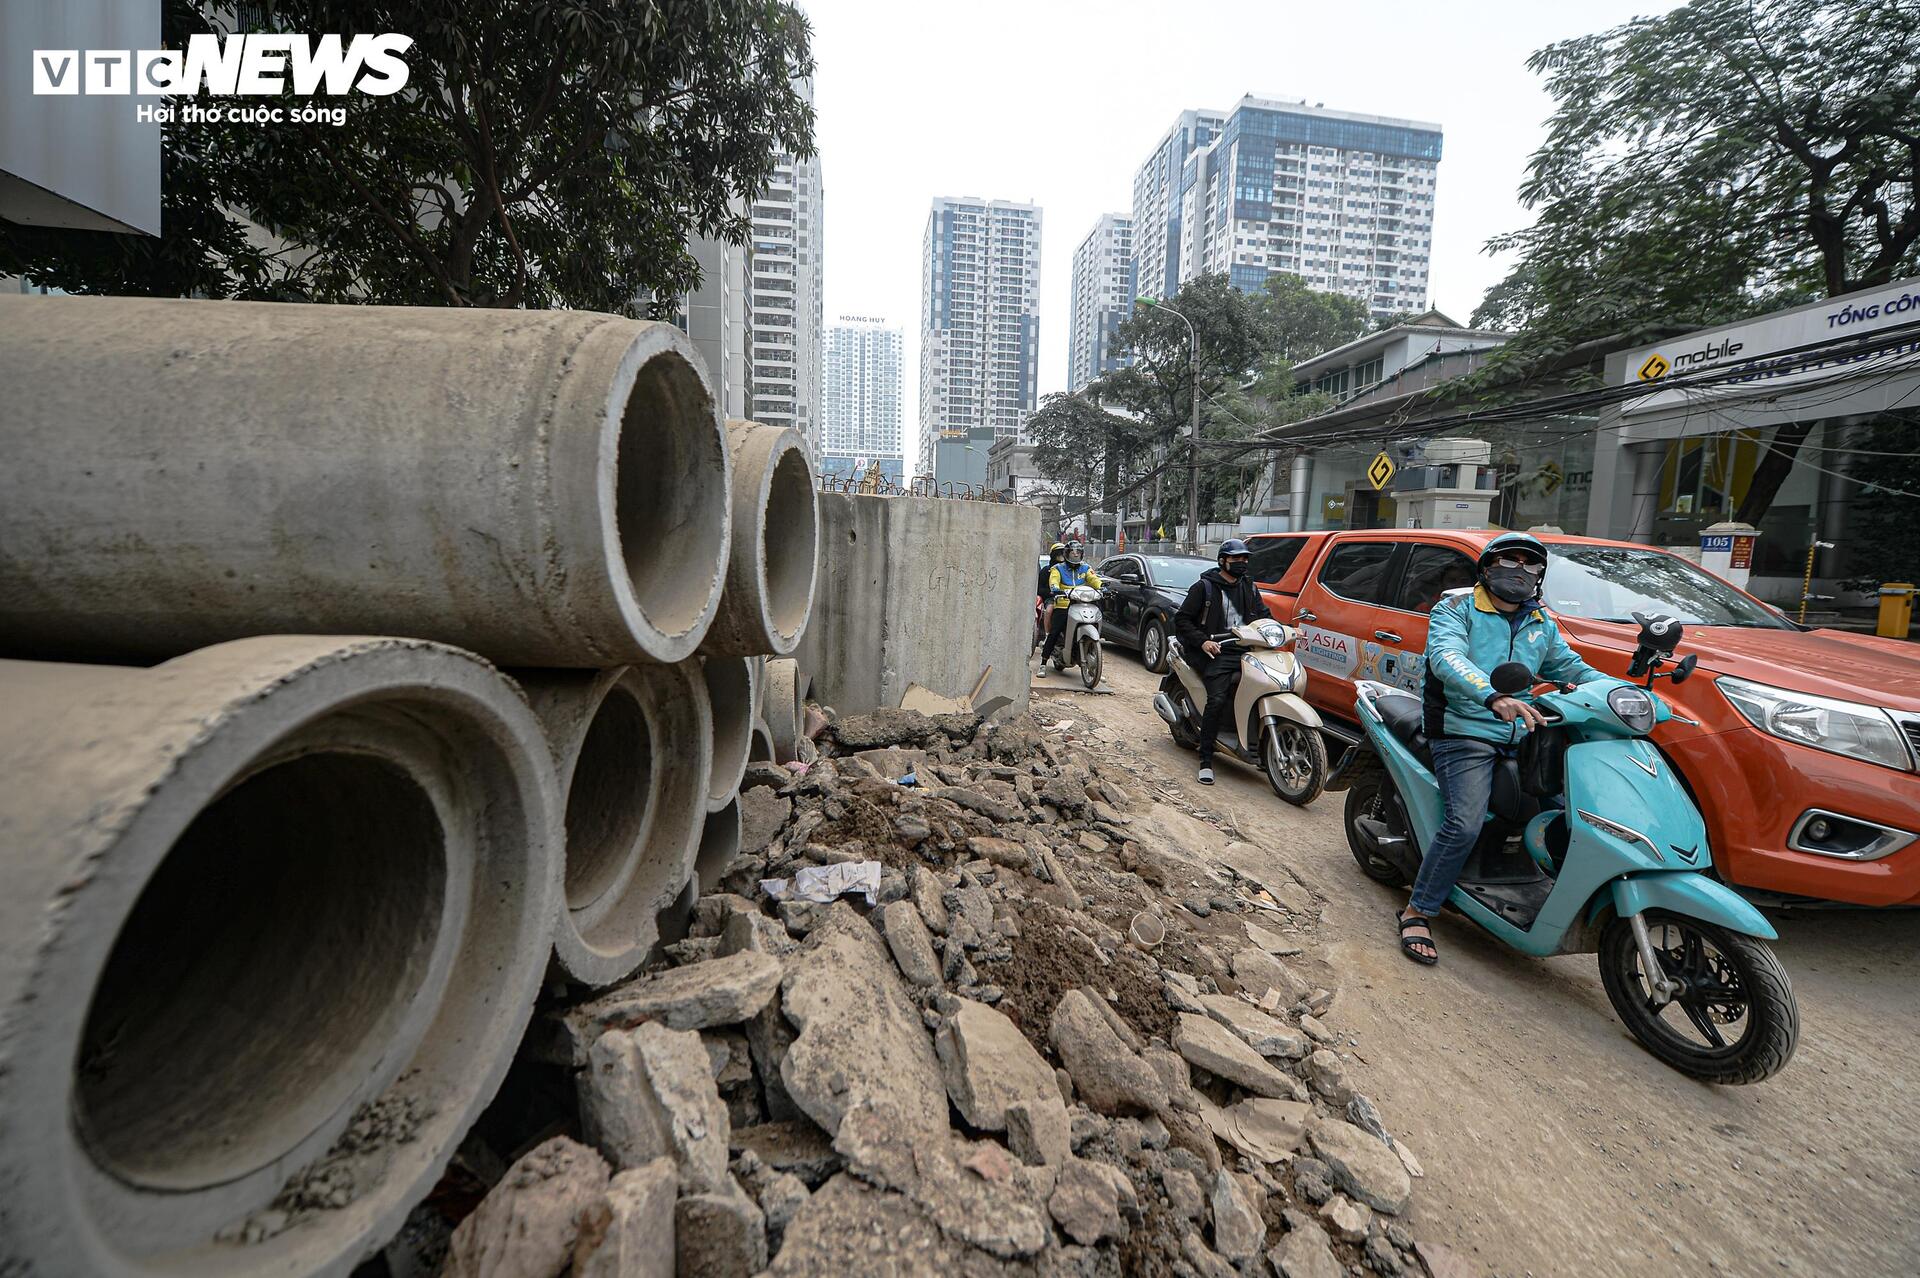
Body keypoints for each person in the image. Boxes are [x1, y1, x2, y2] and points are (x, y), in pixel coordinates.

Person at [1397, 531, 1602, 966]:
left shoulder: (1540, 622)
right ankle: (1419, 909)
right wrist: (1491, 696)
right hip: (1463, 730)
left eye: (1530, 564)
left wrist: (1623, 693)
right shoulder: (1457, 608)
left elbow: (1571, 667)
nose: (1519, 571)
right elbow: (1447, 659)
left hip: (1523, 733)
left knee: (1572, 813)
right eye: (1509, 561)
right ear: (1487, 568)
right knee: (1464, 824)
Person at [1173, 538, 1272, 784]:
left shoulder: (1249, 587)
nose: (1242, 562)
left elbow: (1264, 616)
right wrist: (1203, 642)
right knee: (1216, 699)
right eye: (1236, 558)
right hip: (1214, 652)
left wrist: (1283, 629)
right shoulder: (1204, 587)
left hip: (1246, 650)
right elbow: (1182, 620)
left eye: (1245, 558)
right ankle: (1206, 759)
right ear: (1222, 561)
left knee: (1266, 687)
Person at [1038, 543, 1101, 672]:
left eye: (1078, 553)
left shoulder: (1086, 568)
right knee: (1055, 631)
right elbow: (1054, 581)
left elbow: (1093, 579)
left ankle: (1095, 663)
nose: (1075, 555)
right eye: (1072, 553)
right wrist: (1055, 589)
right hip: (1063, 603)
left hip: (1081, 603)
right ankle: (1043, 662)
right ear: (1066, 554)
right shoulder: (1057, 569)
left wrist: (1101, 586)